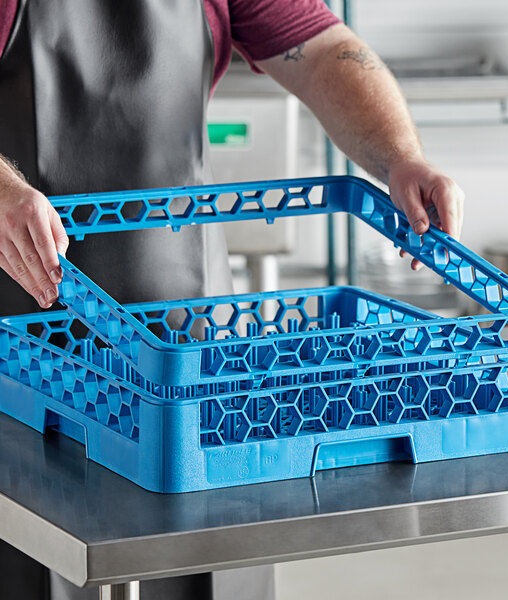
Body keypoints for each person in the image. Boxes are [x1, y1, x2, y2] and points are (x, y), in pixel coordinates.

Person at [0, 1, 465, 598]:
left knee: (209, 559)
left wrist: (402, 157)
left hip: (189, 342)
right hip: (25, 348)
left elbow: (322, 51)